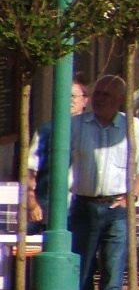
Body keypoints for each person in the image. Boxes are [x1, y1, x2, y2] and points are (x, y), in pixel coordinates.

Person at [67, 75, 139, 290]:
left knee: (113, 275)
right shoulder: (77, 125)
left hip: (117, 210)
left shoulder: (132, 127)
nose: (100, 99)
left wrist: (131, 198)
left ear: (119, 100)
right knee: (82, 272)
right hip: (84, 206)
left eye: (107, 94)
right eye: (98, 93)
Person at [26, 72, 89, 234]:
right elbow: (30, 170)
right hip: (47, 210)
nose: (69, 100)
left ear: (85, 100)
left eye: (73, 96)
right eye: (65, 96)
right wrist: (32, 202)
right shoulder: (46, 131)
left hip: (83, 210)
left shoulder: (91, 131)